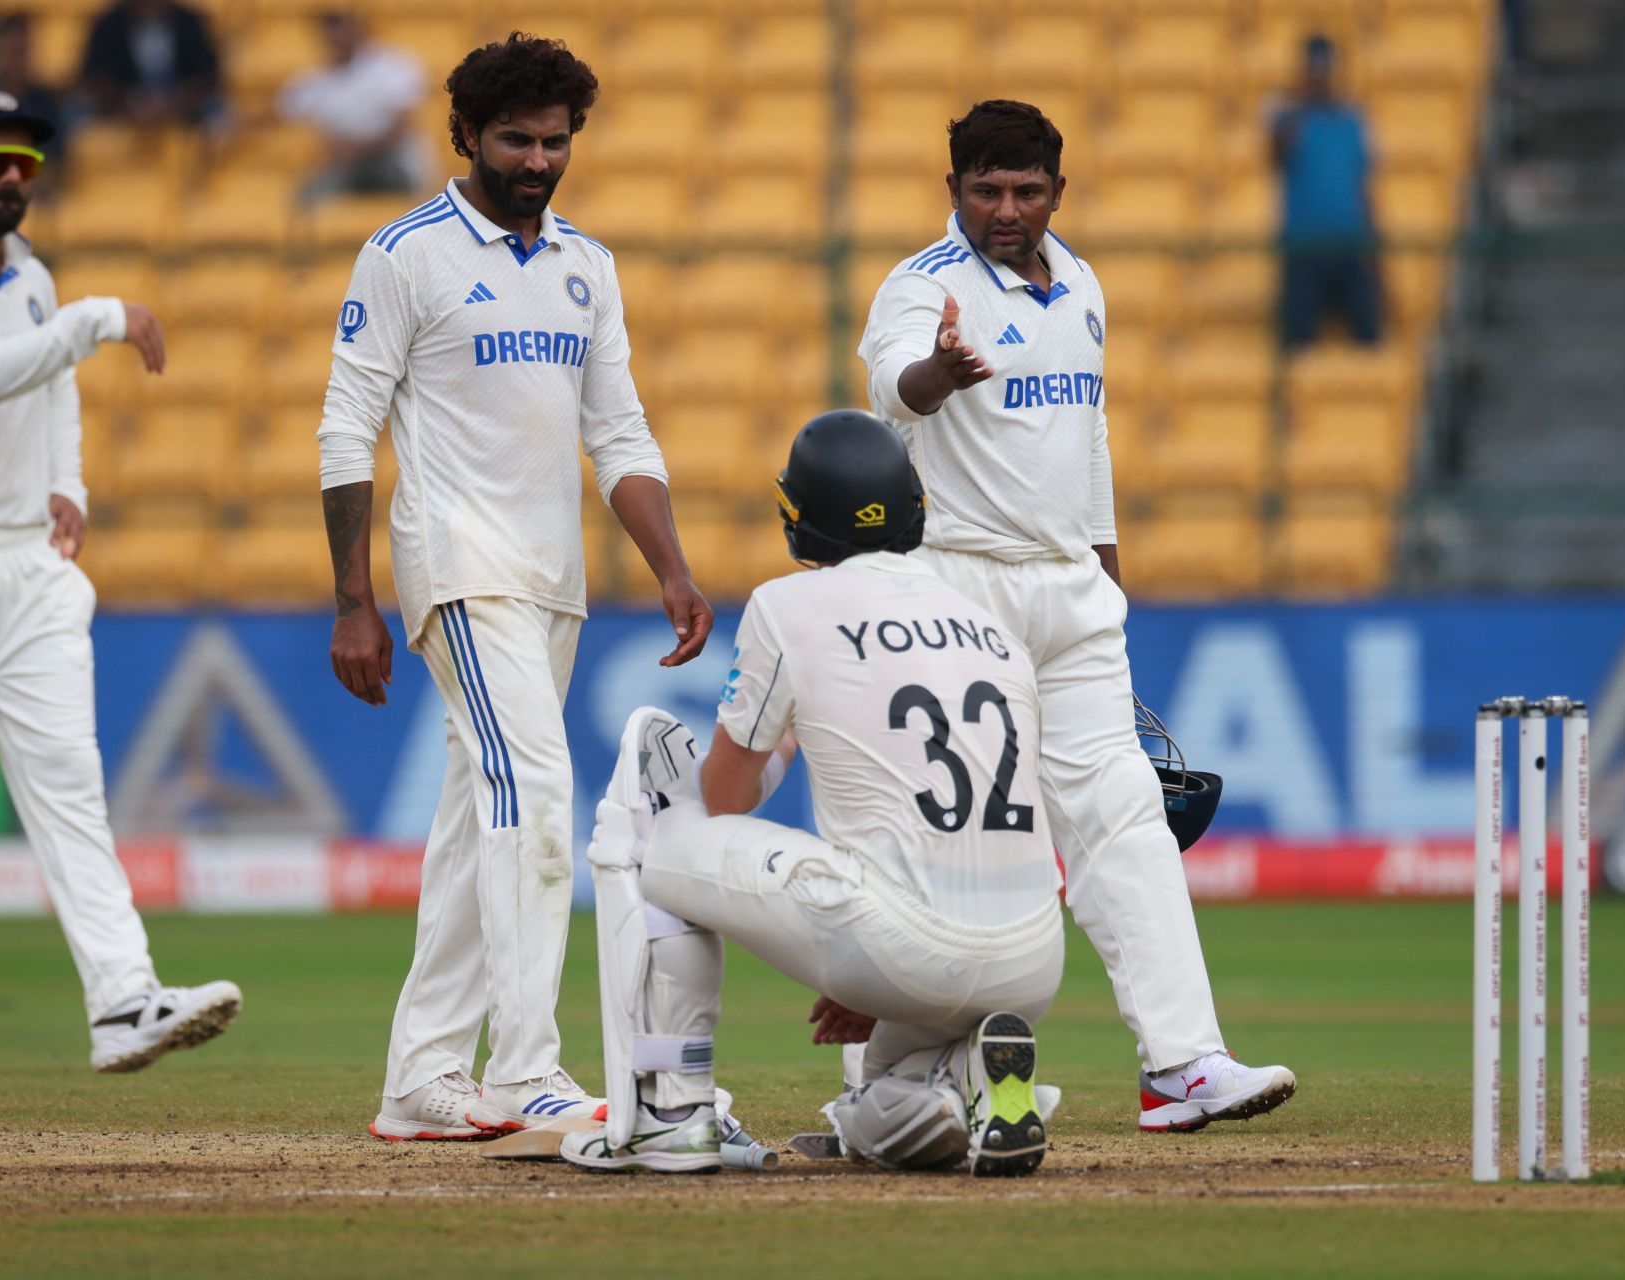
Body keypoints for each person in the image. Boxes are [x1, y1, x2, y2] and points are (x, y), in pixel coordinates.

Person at [857, 99, 1296, 1134]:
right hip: (961, 584)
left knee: (1125, 818)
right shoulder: (923, 286)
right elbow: (889, 389)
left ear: (1058, 188)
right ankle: (896, 1081)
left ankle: (1183, 1064)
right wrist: (939, 373)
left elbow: (1086, 440)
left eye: (1026, 190)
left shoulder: (1085, 284)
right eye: (985, 190)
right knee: (962, 835)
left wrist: (1107, 579)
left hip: (1072, 594)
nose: (1006, 209)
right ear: (953, 188)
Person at [315, 33, 713, 1141]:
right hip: (461, 568)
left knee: (473, 822)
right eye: (515, 141)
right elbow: (346, 426)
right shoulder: (405, 255)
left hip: (553, 584)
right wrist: (354, 597)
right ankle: (524, 1065)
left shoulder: (588, 262)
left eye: (554, 141)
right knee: (537, 791)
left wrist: (670, 566)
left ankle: (421, 1078)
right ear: (464, 138)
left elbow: (618, 429)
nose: (538, 161)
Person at [0, 88, 240, 1074]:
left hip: (29, 562)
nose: (13, 176)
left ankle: (122, 999)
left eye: (27, 161)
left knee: (71, 787)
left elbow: (49, 387)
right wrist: (98, 316)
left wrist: (67, 482)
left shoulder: (32, 275)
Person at [559, 411, 1063, 1177]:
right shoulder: (989, 620)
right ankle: (970, 1081)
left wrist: (787, 732)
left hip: (903, 941)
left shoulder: (786, 606)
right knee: (874, 1115)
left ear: (800, 523)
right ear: (914, 506)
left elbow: (723, 797)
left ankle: (674, 1106)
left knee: (654, 820)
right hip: (1031, 961)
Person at [1271, 35, 1382, 348]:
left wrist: (1376, 250)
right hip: (1304, 248)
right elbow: (1276, 154)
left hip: (1352, 245)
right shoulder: (1288, 118)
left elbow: (1364, 186)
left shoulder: (1352, 120)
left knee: (1369, 335)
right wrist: (1303, 101)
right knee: (1299, 340)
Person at [278, 11, 427, 200]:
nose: (335, 34)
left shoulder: (392, 66)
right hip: (346, 168)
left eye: (340, 25)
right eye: (329, 27)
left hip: (394, 164)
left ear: (357, 27)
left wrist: (356, 148)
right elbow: (281, 110)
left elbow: (403, 126)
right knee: (310, 196)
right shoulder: (315, 80)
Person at [78, 0, 225, 130]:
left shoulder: (190, 21)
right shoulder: (107, 25)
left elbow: (207, 75)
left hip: (183, 109)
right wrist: (130, 103)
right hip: (123, 111)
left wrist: (175, 102)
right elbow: (95, 77)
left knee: (221, 118)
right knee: (78, 116)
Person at [0, 14, 67, 180]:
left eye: (23, 52)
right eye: (13, 52)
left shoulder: (47, 103)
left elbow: (54, 164)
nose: (18, 61)